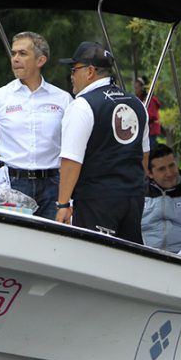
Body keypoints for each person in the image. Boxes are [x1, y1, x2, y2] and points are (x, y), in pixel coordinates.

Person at [56, 41, 149, 243]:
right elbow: (143, 155)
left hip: (97, 199)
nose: (71, 76)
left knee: (94, 256)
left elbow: (71, 160)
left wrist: (63, 204)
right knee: (129, 256)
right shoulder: (137, 103)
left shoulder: (82, 105)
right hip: (133, 197)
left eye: (74, 70)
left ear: (90, 71)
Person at [0, 31, 72, 219]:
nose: (15, 59)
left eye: (23, 53)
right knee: (11, 237)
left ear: (41, 60)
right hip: (11, 184)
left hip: (53, 186)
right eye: (13, 53)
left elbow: (70, 150)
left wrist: (69, 198)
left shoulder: (63, 99)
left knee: (51, 237)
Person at [142, 144, 181, 253]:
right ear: (150, 173)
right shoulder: (138, 195)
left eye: (172, 165)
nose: (169, 173)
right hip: (145, 256)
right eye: (162, 169)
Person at [134, 75, 163, 145]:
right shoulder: (139, 100)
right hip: (145, 130)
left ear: (142, 88)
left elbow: (152, 115)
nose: (135, 90)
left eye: (137, 88)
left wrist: (138, 117)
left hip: (151, 130)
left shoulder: (151, 100)